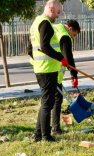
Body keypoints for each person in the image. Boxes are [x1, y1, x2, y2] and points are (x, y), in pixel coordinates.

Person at [29, 0, 68, 142]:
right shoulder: (45, 23)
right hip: (47, 69)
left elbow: (30, 48)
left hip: (41, 68)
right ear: (51, 8)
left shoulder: (36, 22)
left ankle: (38, 134)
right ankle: (46, 136)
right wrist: (61, 58)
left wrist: (36, 63)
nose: (58, 16)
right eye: (57, 12)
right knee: (48, 104)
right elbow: (45, 46)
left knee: (45, 102)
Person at [50, 20, 80, 134]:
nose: (73, 37)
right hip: (54, 70)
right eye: (74, 35)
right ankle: (55, 128)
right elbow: (68, 57)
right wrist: (74, 75)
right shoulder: (65, 36)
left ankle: (46, 128)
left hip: (44, 68)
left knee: (49, 98)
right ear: (71, 29)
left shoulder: (56, 27)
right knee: (57, 99)